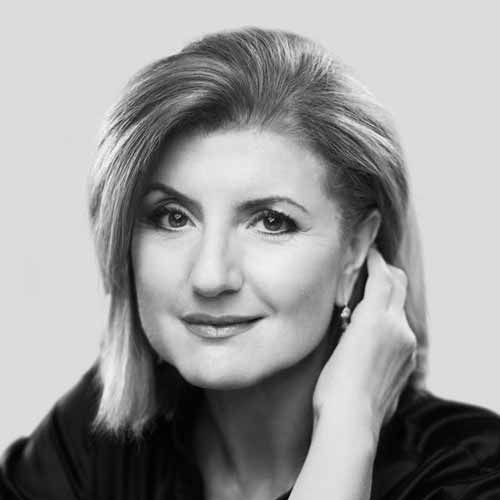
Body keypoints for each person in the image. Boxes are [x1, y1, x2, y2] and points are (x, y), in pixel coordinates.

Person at [1, 27, 499, 500]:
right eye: (172, 217)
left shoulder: (471, 475)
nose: (211, 276)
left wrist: (349, 427)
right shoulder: (96, 443)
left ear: (355, 251)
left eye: (272, 222)